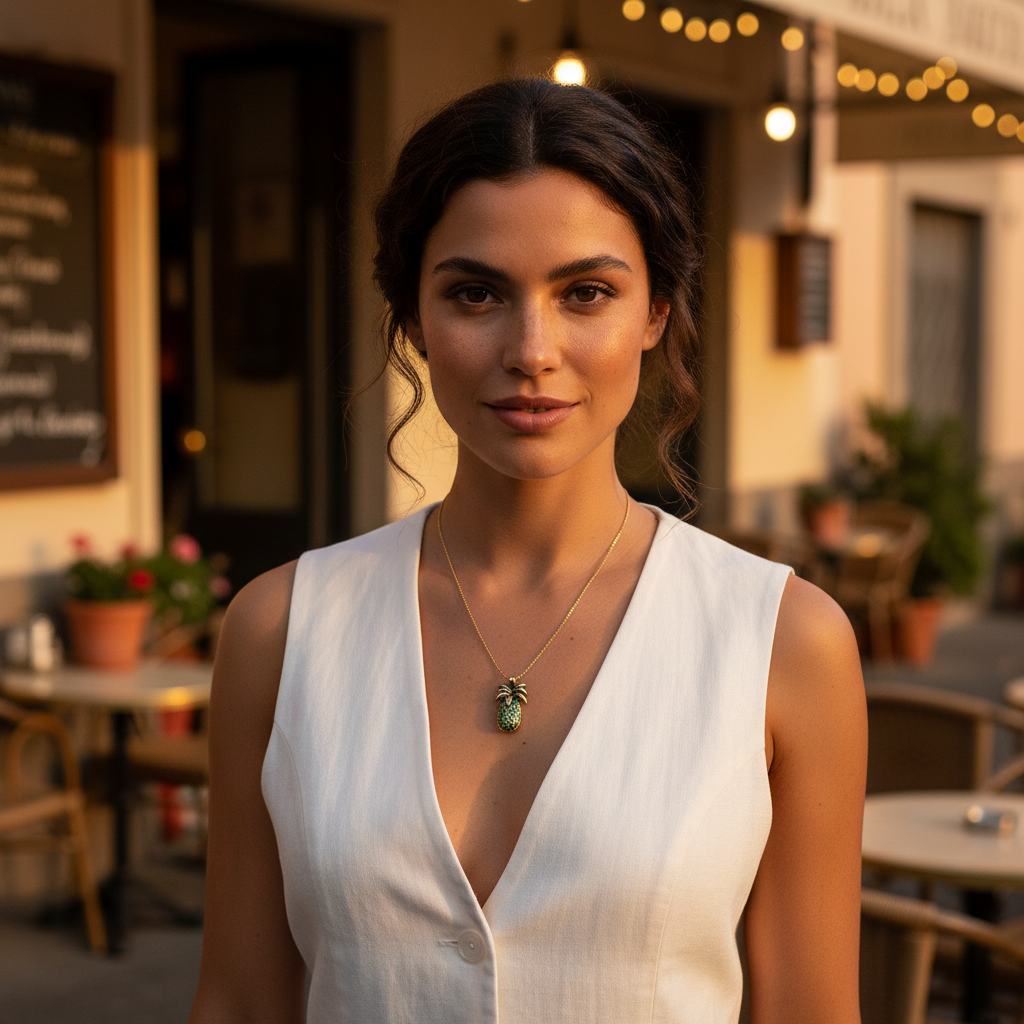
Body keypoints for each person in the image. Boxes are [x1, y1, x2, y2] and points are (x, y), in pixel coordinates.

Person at [189, 78, 866, 1024]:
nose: (532, 349)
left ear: (657, 312)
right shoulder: (279, 628)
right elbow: (238, 1001)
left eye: (586, 292)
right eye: (476, 293)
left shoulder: (785, 642)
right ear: (416, 322)